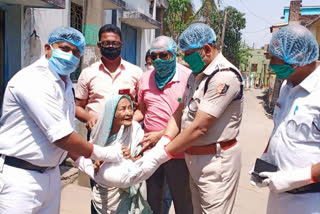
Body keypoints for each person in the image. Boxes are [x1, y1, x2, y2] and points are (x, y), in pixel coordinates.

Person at [0, 27, 125, 213]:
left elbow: (67, 131)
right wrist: (104, 154)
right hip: (21, 177)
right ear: (48, 48)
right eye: (65, 49)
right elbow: (61, 136)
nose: (71, 55)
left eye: (76, 52)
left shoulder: (65, 84)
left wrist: (84, 164)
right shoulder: (33, 80)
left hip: (51, 175)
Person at [249, 24, 320, 214]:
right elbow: (279, 130)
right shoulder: (287, 86)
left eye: (275, 58)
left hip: (311, 201)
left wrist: (295, 178)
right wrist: (265, 160)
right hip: (279, 197)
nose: (271, 64)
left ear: (297, 58)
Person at [137, 36, 193, 214]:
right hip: (150, 151)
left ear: (174, 54)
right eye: (154, 57)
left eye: (164, 55)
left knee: (182, 201)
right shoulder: (145, 78)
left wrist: (160, 135)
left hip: (179, 153)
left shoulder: (188, 77)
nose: (159, 60)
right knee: (153, 200)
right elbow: (142, 111)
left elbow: (190, 117)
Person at [77, 95, 152, 214]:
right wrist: (96, 163)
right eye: (122, 109)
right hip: (103, 194)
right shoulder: (97, 132)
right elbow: (90, 156)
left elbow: (141, 158)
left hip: (127, 193)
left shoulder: (135, 130)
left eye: (130, 108)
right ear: (112, 112)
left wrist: (130, 158)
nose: (128, 113)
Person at [75, 24, 142, 132]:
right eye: (106, 43)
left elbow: (142, 107)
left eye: (115, 43)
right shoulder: (87, 73)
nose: (111, 46)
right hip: (97, 132)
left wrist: (130, 123)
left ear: (121, 45)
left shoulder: (136, 72)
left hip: (128, 133)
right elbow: (77, 107)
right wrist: (90, 118)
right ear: (99, 45)